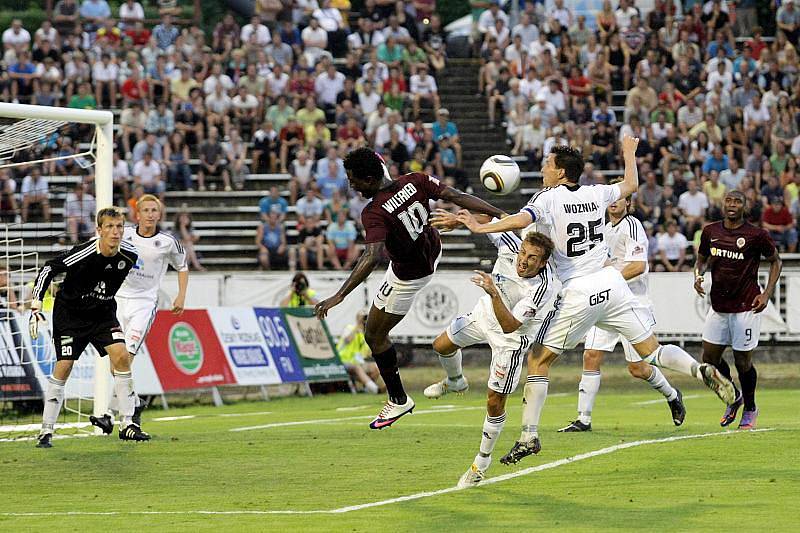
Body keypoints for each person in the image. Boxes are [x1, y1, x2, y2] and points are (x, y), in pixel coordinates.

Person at [448, 138, 735, 464]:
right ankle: (699, 369)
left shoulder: (547, 197)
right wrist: (628, 151)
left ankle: (529, 436)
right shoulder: (596, 192)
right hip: (612, 284)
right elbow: (630, 184)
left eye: (547, 164)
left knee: (538, 361)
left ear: (559, 172)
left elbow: (520, 221)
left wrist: (477, 227)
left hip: (579, 291)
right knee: (651, 352)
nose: (543, 169)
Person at [314, 148, 506, 430]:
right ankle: (452, 380)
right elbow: (456, 196)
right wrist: (501, 213)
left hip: (407, 275)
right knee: (377, 330)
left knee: (374, 336)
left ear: (369, 179)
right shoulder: (414, 180)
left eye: (354, 180)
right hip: (432, 250)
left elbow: (371, 256)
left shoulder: (373, 212)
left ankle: (398, 399)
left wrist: (339, 295)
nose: (351, 186)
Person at [424, 211, 556, 487]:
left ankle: (480, 464)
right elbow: (486, 218)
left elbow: (510, 326)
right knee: (441, 345)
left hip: (510, 341)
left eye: (532, 258)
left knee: (494, 403)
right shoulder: (509, 244)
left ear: (543, 263)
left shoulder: (543, 287)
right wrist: (459, 219)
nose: (523, 260)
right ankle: (456, 381)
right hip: (482, 317)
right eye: (523, 253)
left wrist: (493, 291)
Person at [559, 183, 685, 433]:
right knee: (591, 355)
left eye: (622, 199)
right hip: (606, 301)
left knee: (638, 368)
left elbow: (638, 266)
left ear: (629, 204)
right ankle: (583, 419)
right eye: (613, 199)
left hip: (632, 303)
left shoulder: (633, 226)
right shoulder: (601, 229)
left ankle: (672, 395)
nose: (615, 202)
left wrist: (609, 280)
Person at [29, 207, 149, 447]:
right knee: (64, 366)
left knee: (122, 357)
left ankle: (128, 424)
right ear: (99, 230)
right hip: (70, 316)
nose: (115, 232)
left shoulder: (130, 255)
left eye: (119, 227)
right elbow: (48, 268)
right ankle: (46, 430)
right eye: (110, 227)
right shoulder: (83, 253)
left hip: (102, 315)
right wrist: (36, 305)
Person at [90, 195, 188, 434]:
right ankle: (133, 403)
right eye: (146, 210)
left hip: (144, 305)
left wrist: (181, 295)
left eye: (155, 210)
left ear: (159, 214)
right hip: (118, 302)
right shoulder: (125, 235)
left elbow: (182, 266)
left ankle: (109, 415)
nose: (151, 214)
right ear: (138, 214)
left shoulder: (167, 242)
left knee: (125, 360)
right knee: (116, 365)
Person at [694, 191, 783, 430]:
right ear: (723, 204)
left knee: (742, 361)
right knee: (708, 361)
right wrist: (698, 275)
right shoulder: (711, 231)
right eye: (729, 201)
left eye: (737, 202)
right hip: (719, 306)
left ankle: (751, 408)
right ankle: (734, 396)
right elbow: (701, 258)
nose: (732, 205)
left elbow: (776, 261)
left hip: (746, 307)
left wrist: (766, 294)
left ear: (745, 206)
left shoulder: (756, 235)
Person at [337, 310, 382, 394]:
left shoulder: (365, 334)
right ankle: (375, 389)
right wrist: (358, 325)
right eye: (362, 317)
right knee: (357, 368)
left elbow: (367, 354)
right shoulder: (349, 328)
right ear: (357, 318)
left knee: (376, 367)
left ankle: (367, 389)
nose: (364, 319)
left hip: (358, 362)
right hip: (342, 361)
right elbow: (348, 340)